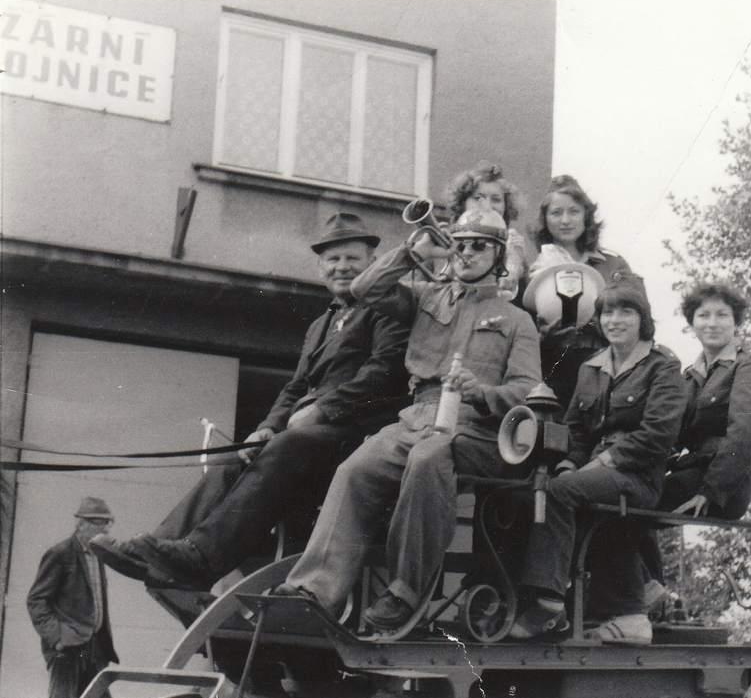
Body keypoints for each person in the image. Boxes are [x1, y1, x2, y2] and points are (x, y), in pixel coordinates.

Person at [90, 214, 410, 590]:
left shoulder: (388, 307)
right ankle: (158, 549)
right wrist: (266, 428)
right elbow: (296, 386)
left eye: (352, 258)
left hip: (356, 435)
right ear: (320, 267)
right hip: (309, 439)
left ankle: (202, 556)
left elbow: (382, 372)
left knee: (289, 444)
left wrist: (323, 410)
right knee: (236, 456)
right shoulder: (320, 324)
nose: (342, 267)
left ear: (373, 262)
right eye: (333, 259)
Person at [275, 207, 541, 632]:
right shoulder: (425, 297)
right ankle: (315, 590)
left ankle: (405, 590)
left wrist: (482, 392)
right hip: (416, 414)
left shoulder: (516, 320)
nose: (467, 253)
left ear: (498, 256)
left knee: (427, 459)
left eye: (479, 246)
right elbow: (365, 289)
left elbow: (528, 389)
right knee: (356, 470)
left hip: (476, 425)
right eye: (460, 244)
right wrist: (414, 250)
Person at [510, 274, 686, 645]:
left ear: (643, 319)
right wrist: (569, 464)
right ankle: (578, 600)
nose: (614, 321)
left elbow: (657, 436)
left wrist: (601, 463)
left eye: (625, 313)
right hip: (593, 472)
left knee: (558, 493)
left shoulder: (663, 367)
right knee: (533, 491)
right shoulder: (591, 368)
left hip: (638, 475)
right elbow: (576, 429)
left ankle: (546, 602)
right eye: (607, 313)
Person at [639, 283, 751, 591]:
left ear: (736, 321)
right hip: (691, 473)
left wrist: (711, 491)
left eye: (722, 315)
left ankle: (644, 592)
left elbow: (744, 435)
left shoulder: (748, 366)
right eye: (703, 315)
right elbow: (671, 434)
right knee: (625, 498)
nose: (712, 323)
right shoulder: (691, 375)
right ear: (692, 323)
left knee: (636, 505)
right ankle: (648, 593)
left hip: (725, 486)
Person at [525, 175, 631, 406]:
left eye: (574, 211)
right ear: (545, 219)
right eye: (556, 213)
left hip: (605, 370)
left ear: (586, 216)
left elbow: (636, 320)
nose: (565, 220)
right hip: (551, 373)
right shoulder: (534, 272)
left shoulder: (613, 265)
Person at [27, 497, 119, 698]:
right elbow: (36, 600)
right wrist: (57, 637)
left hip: (93, 648)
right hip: (68, 649)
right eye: (100, 523)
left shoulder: (99, 554)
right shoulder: (60, 553)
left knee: (97, 694)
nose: (106, 529)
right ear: (82, 524)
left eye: (108, 523)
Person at [443, 161, 527, 297]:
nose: (487, 206)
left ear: (506, 206)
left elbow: (520, 300)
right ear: (463, 203)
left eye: (496, 199)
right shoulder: (444, 239)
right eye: (478, 198)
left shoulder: (514, 246)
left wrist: (514, 263)